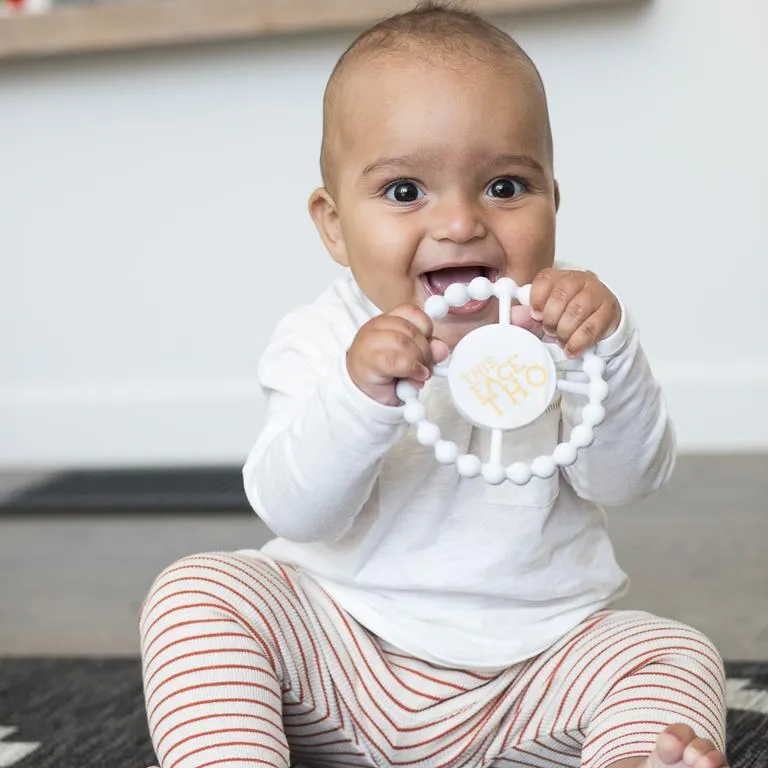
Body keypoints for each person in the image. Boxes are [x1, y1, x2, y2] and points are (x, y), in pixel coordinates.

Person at [140, 4, 728, 767]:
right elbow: (295, 511)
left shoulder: (564, 332)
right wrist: (360, 396)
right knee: (199, 593)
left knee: (672, 651)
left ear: (555, 199)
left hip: (527, 684)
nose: (458, 222)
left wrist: (605, 353)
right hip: (342, 665)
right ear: (334, 225)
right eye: (405, 191)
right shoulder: (322, 339)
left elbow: (629, 479)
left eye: (506, 186)